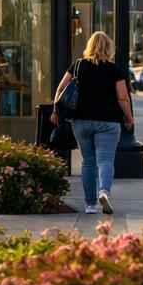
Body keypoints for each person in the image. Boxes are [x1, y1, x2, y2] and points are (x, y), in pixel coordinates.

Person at [52, 31, 134, 215]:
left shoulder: (78, 66)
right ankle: (104, 191)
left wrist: (56, 110)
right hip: (108, 123)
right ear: (109, 48)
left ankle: (90, 205)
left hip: (81, 121)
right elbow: (122, 97)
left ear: (89, 46)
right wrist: (129, 117)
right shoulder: (115, 70)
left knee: (88, 162)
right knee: (105, 160)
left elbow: (61, 88)